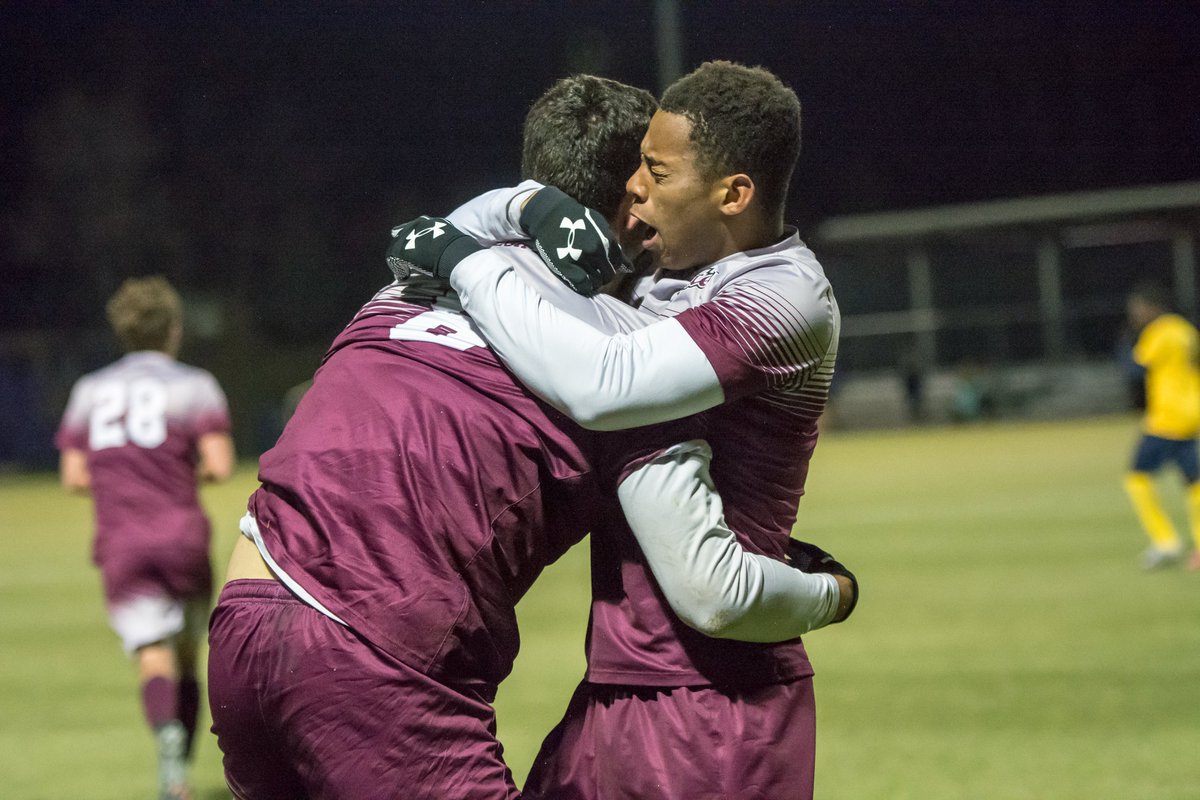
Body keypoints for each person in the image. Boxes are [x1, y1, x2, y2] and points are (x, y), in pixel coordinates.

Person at [206, 74, 854, 800]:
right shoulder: (615, 342)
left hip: (243, 617)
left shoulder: (400, 291)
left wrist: (496, 220)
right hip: (374, 652)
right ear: (627, 216)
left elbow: (459, 238)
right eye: (643, 174)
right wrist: (832, 592)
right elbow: (709, 583)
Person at [406, 60, 840, 799]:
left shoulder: (785, 297)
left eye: (657, 171)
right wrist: (514, 209)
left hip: (719, 698)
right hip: (616, 682)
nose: (634, 188)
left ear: (734, 194)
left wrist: (462, 260)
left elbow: (603, 384)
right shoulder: (660, 276)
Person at [55, 275, 234, 800]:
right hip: (182, 536)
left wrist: (125, 480)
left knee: (151, 650)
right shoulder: (196, 385)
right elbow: (219, 464)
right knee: (188, 655)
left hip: (122, 540)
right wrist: (171, 474)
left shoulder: (90, 390)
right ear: (173, 329)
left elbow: (74, 475)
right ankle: (183, 771)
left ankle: (169, 756)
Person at [1122, 282, 1200, 571]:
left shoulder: (1159, 332)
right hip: (1192, 412)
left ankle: (1165, 542)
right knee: (1194, 481)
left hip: (1167, 417)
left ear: (1151, 307)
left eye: (1137, 308)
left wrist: (1127, 341)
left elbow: (1137, 366)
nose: (1135, 314)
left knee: (1137, 478)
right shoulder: (1185, 330)